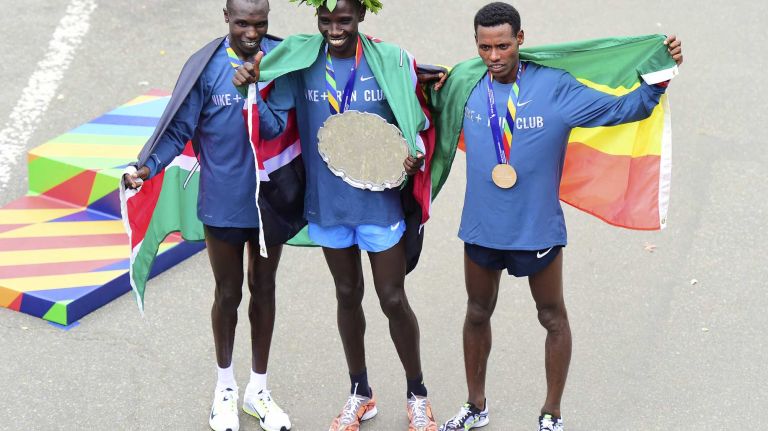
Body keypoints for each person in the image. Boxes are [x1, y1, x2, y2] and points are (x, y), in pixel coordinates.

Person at [431, 3, 684, 431]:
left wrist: (662, 69)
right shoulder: (465, 83)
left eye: (503, 46)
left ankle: (552, 413)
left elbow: (628, 108)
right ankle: (476, 405)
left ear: (521, 40)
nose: (494, 57)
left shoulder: (556, 87)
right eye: (484, 47)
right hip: (482, 226)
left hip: (536, 227)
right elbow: (424, 102)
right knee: (476, 312)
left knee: (552, 317)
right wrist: (425, 81)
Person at [232, 0, 440, 429]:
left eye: (343, 20)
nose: (333, 28)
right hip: (328, 206)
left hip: (379, 205)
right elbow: (273, 126)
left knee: (392, 298)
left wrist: (411, 157)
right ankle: (360, 392)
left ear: (362, 15)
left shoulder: (390, 62)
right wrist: (249, 91)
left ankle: (417, 393)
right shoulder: (305, 61)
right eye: (325, 20)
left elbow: (414, 126)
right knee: (347, 295)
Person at [123, 1, 301, 430]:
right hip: (221, 203)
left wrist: (254, 90)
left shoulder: (279, 60)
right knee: (228, 292)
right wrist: (147, 166)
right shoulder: (205, 67)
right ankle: (225, 386)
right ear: (227, 18)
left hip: (268, 201)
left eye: (259, 24)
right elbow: (180, 128)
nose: (252, 33)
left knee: (264, 287)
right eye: (242, 23)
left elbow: (278, 127)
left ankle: (258, 390)